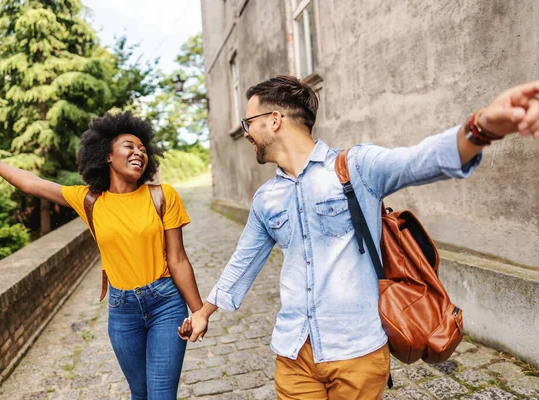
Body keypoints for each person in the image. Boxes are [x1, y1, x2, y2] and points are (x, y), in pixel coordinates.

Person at [183, 75, 539, 399]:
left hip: (357, 351)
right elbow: (243, 261)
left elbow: (420, 160)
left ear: (274, 120)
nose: (246, 132)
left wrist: (482, 127)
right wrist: (204, 312)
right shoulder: (266, 199)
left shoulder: (356, 167)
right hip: (294, 355)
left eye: (249, 122)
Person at [0, 111, 205, 400]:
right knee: (140, 393)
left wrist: (198, 311)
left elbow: (178, 259)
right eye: (129, 147)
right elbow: (31, 183)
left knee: (160, 395)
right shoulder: (90, 200)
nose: (139, 153)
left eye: (143, 150)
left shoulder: (162, 195)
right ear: (107, 155)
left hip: (166, 305)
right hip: (122, 312)